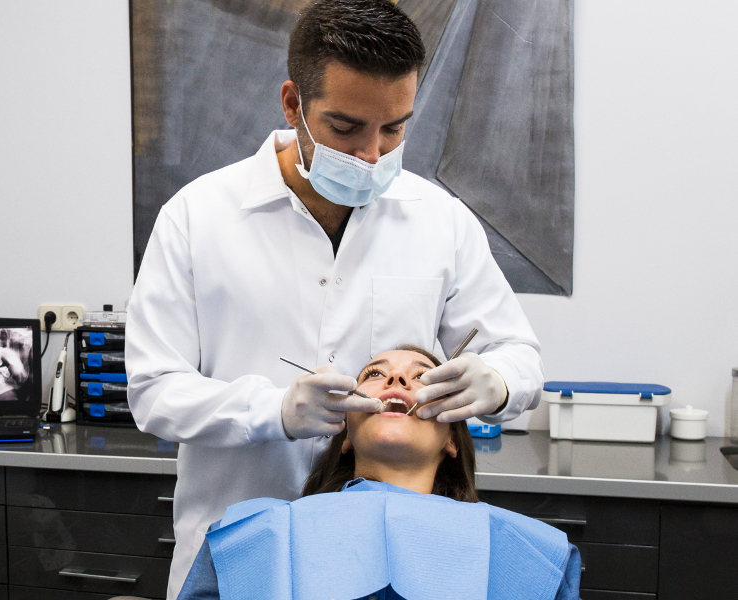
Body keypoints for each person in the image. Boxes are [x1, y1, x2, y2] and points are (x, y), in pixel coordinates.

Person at [126, 1, 543, 596]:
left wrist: (497, 382)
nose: (373, 155)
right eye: (346, 128)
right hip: (239, 565)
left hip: (389, 569)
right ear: (294, 103)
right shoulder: (197, 218)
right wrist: (271, 413)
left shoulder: (441, 222)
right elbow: (152, 391)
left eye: (395, 128)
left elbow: (519, 356)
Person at [174, 347, 581, 600]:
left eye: (422, 376)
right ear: (346, 434)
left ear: (452, 441)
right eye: (373, 374)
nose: (397, 379)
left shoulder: (529, 555)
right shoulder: (254, 537)